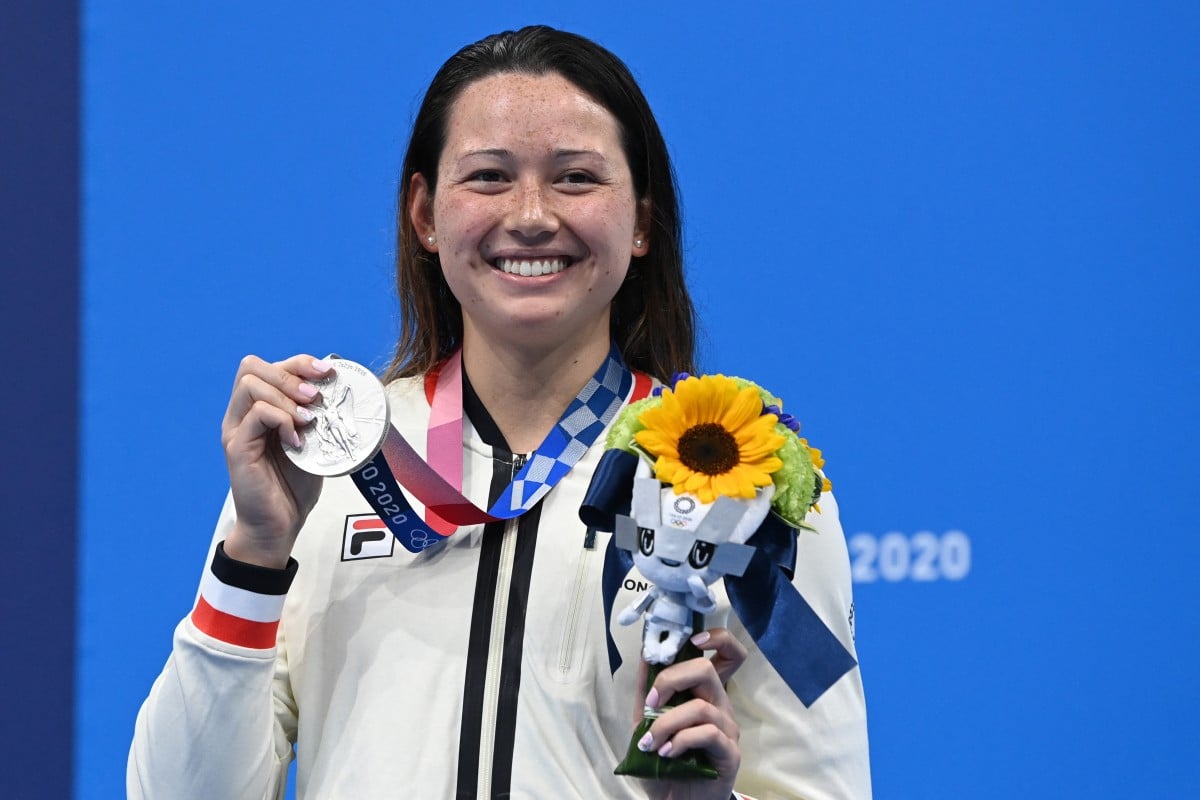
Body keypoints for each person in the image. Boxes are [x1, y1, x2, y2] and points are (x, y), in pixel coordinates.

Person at [128, 26, 871, 799]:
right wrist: (252, 554)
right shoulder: (331, 461)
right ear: (424, 214)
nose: (530, 216)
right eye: (487, 177)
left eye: (576, 178)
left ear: (643, 220)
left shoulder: (741, 476)